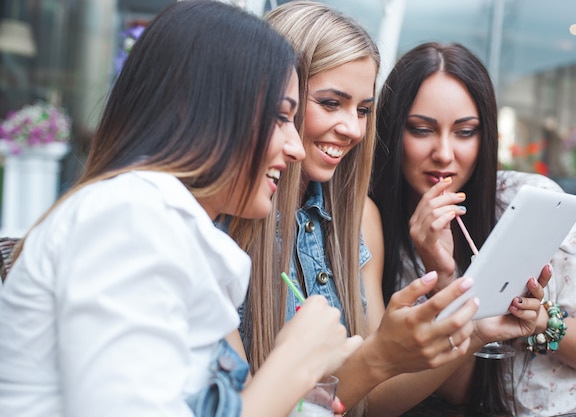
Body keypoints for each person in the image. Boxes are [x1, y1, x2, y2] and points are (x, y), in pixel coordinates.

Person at [0, 2, 363, 417]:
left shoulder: (161, 224)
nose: (296, 148)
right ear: (207, 110)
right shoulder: (129, 217)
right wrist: (295, 365)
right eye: (281, 117)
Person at [235, 3, 548, 417]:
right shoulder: (223, 227)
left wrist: (475, 332)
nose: (353, 129)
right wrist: (380, 355)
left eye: (363, 109)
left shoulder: (359, 218)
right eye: (331, 103)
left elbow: (374, 401)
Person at [369, 41, 576, 416]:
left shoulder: (530, 201)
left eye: (465, 132)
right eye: (422, 130)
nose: (444, 153)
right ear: (392, 131)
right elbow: (459, 391)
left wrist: (541, 321)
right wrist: (443, 276)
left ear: (485, 136)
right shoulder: (379, 231)